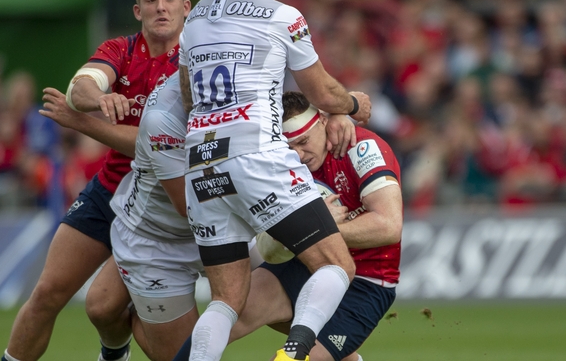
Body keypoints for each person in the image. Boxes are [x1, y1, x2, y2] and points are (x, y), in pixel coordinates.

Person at [177, 0, 372, 360]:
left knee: (226, 298)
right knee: (336, 262)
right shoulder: (284, 16)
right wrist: (354, 105)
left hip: (202, 160)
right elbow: (320, 90)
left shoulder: (196, 18)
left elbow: (189, 93)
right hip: (256, 154)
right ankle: (295, 352)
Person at [2, 0, 190, 361]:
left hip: (166, 203)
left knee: (105, 308)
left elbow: (152, 145)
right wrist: (96, 98)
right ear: (137, 11)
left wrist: (82, 123)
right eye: (151, 0)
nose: (161, 7)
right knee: (47, 293)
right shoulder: (121, 49)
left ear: (186, 8)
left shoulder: (193, 63)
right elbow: (79, 86)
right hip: (110, 189)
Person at [172, 92, 403, 361]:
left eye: (303, 141)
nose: (299, 155)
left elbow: (389, 226)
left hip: (366, 281)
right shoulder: (275, 159)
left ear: (323, 122)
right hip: (301, 264)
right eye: (289, 147)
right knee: (228, 313)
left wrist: (318, 226)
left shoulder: (360, 147)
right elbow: (270, 250)